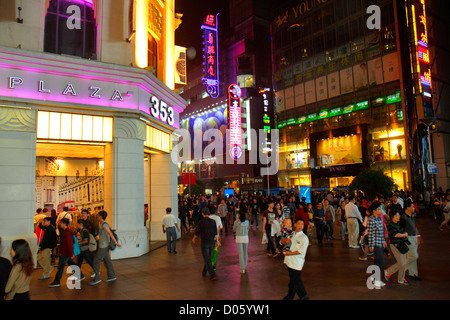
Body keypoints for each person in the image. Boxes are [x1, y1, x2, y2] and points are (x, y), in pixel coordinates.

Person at [90, 211, 121, 285]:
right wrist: (98, 238)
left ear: (100, 216)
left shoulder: (104, 224)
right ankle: (112, 275)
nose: (97, 217)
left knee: (96, 261)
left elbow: (109, 233)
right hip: (104, 245)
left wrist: (115, 242)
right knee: (107, 261)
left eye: (98, 216)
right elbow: (104, 235)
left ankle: (97, 278)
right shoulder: (102, 224)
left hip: (103, 246)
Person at [281, 220, 310, 300]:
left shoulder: (304, 238)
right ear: (295, 225)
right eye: (299, 224)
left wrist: (289, 253)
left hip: (297, 262)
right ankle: (303, 296)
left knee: (294, 281)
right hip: (289, 261)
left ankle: (291, 297)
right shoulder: (291, 233)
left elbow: (301, 251)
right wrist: (283, 241)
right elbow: (282, 241)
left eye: (302, 224)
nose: (300, 226)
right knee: (296, 280)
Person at [49, 218, 81, 287]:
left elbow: (69, 244)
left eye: (60, 223)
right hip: (66, 252)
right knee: (71, 263)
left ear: (64, 224)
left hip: (66, 253)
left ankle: (57, 281)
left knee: (60, 267)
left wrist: (71, 253)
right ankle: (80, 275)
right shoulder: (67, 231)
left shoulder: (67, 233)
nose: (59, 224)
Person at [192, 208, 219, 280]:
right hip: (212, 242)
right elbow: (216, 232)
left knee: (206, 258)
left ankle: (212, 274)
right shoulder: (213, 222)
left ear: (202, 214)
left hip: (205, 242)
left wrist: (194, 238)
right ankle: (204, 272)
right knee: (208, 257)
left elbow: (197, 231)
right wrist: (217, 241)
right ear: (209, 213)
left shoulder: (201, 222)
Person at [366, 201, 387, 289]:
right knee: (380, 261)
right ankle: (376, 279)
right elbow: (370, 234)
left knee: (378, 262)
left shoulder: (379, 218)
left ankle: (376, 279)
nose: (380, 210)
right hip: (375, 244)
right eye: (379, 209)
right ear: (374, 210)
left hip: (380, 243)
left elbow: (382, 232)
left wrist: (384, 241)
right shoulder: (371, 219)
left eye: (380, 209)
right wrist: (371, 246)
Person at [385, 212, 409, 285]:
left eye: (399, 215)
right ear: (392, 217)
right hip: (395, 245)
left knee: (404, 263)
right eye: (397, 215)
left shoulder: (399, 224)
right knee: (401, 262)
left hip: (401, 244)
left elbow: (402, 232)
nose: (398, 217)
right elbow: (395, 235)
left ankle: (401, 279)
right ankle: (388, 271)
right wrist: (404, 235)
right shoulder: (390, 226)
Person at [400, 199, 421, 281]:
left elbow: (414, 227)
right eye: (412, 206)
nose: (414, 208)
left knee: (412, 256)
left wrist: (417, 236)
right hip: (408, 238)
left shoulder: (411, 216)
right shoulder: (404, 217)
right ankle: (402, 269)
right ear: (407, 208)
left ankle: (413, 273)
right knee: (414, 256)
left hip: (413, 237)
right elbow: (401, 229)